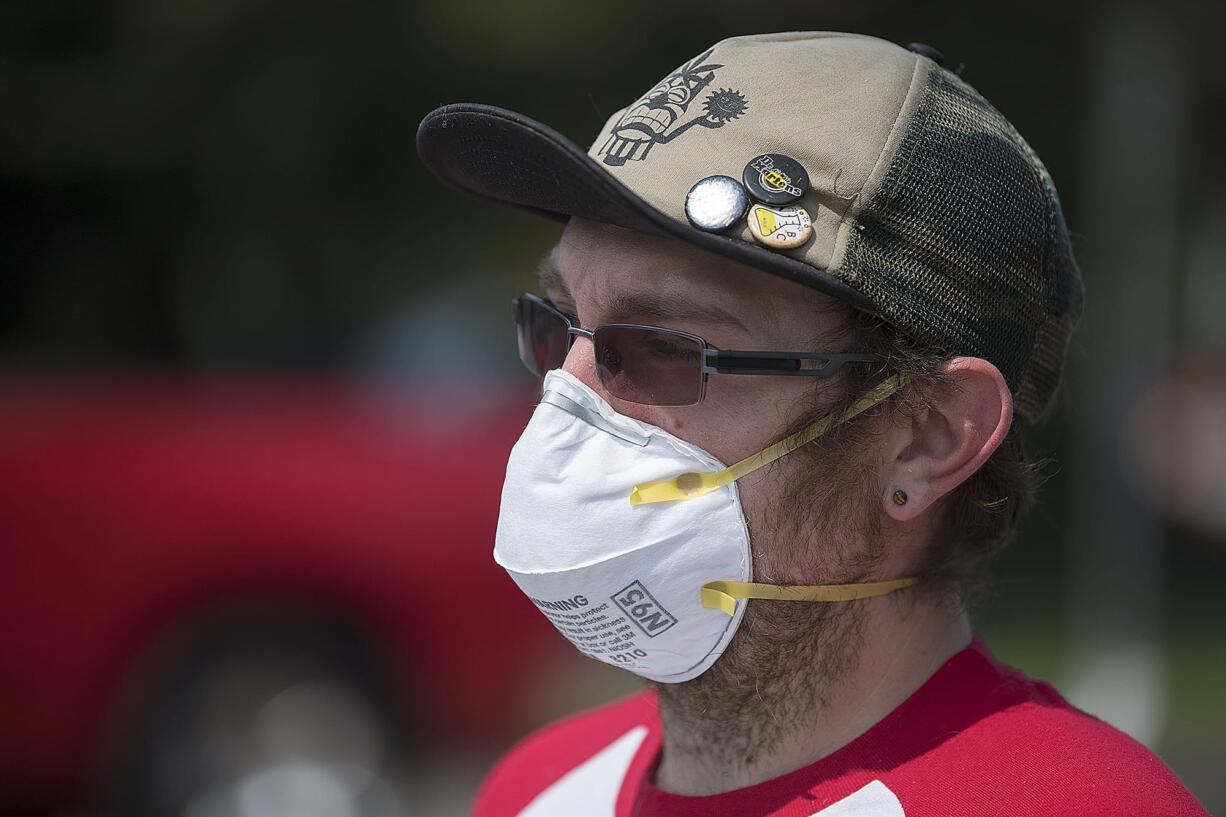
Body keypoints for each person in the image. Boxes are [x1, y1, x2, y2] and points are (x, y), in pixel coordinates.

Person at [417, 31, 1209, 817]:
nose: (569, 394)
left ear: (927, 435)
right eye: (555, 324)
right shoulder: (537, 786)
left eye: (661, 347)